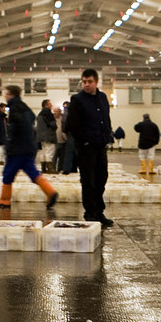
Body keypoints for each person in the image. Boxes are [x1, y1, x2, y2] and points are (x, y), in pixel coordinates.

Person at [0, 85, 58, 210]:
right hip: (28, 146)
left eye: (6, 94)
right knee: (32, 172)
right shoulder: (24, 106)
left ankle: (5, 200)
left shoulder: (15, 108)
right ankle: (50, 192)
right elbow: (31, 119)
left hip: (18, 148)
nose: (5, 96)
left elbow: (17, 127)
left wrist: (10, 141)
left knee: (8, 173)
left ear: (11, 95)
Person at [65, 68, 114, 227]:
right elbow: (72, 124)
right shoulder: (77, 99)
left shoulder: (102, 97)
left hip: (100, 146)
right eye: (84, 82)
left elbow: (105, 118)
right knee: (88, 181)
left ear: (96, 82)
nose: (86, 85)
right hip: (86, 148)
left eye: (90, 82)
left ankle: (99, 212)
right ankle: (90, 213)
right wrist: (84, 141)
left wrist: (108, 135)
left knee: (102, 178)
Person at [36, 99, 57, 172]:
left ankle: (43, 168)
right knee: (50, 151)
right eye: (50, 104)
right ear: (46, 105)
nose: (51, 105)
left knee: (43, 152)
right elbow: (53, 125)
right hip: (49, 136)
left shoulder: (39, 114)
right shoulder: (48, 114)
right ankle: (50, 168)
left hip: (41, 137)